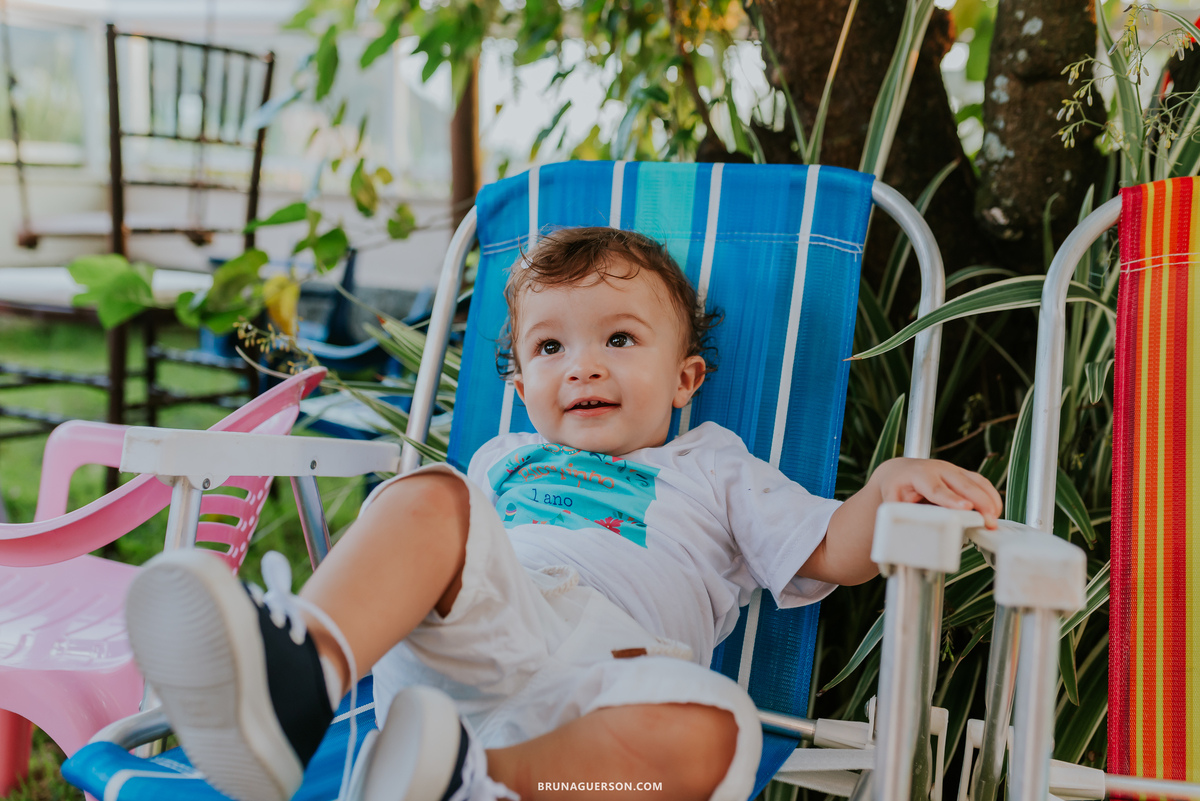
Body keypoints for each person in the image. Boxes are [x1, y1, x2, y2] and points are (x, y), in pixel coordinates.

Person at [125, 227, 1002, 801]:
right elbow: (444, 561)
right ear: (519, 387)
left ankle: (472, 785)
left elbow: (832, 548)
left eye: (620, 338)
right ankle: (298, 679)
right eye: (551, 347)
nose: (583, 366)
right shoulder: (500, 460)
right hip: (481, 636)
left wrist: (884, 490)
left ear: (685, 378)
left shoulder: (717, 464)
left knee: (721, 730)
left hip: (609, 679)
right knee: (432, 497)